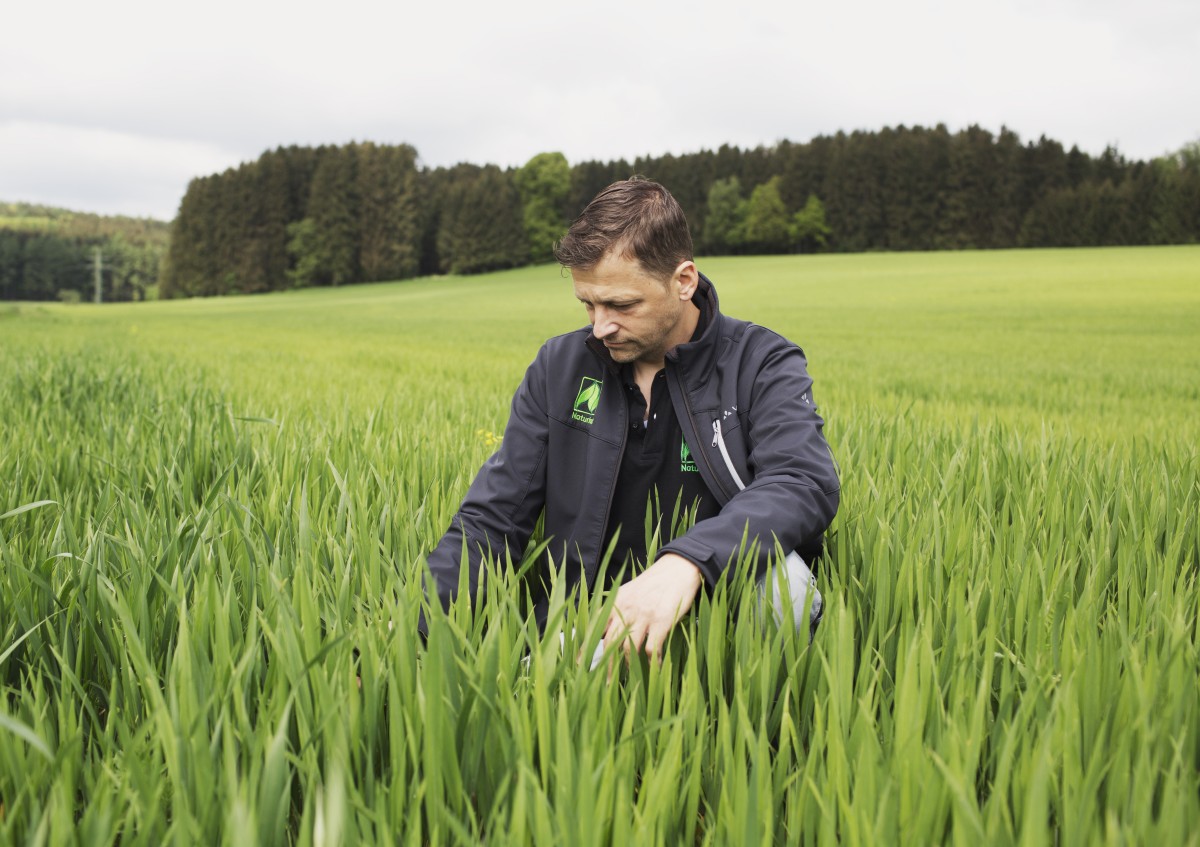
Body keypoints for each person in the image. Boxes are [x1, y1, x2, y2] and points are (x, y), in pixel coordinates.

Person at [424, 177, 839, 658]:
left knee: (785, 583)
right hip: (590, 623)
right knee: (535, 708)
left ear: (683, 281)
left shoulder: (759, 361)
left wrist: (686, 562)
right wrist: (413, 638)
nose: (600, 327)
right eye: (589, 304)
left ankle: (749, 719)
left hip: (713, 603)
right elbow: (490, 521)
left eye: (621, 305)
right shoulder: (559, 367)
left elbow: (801, 479)